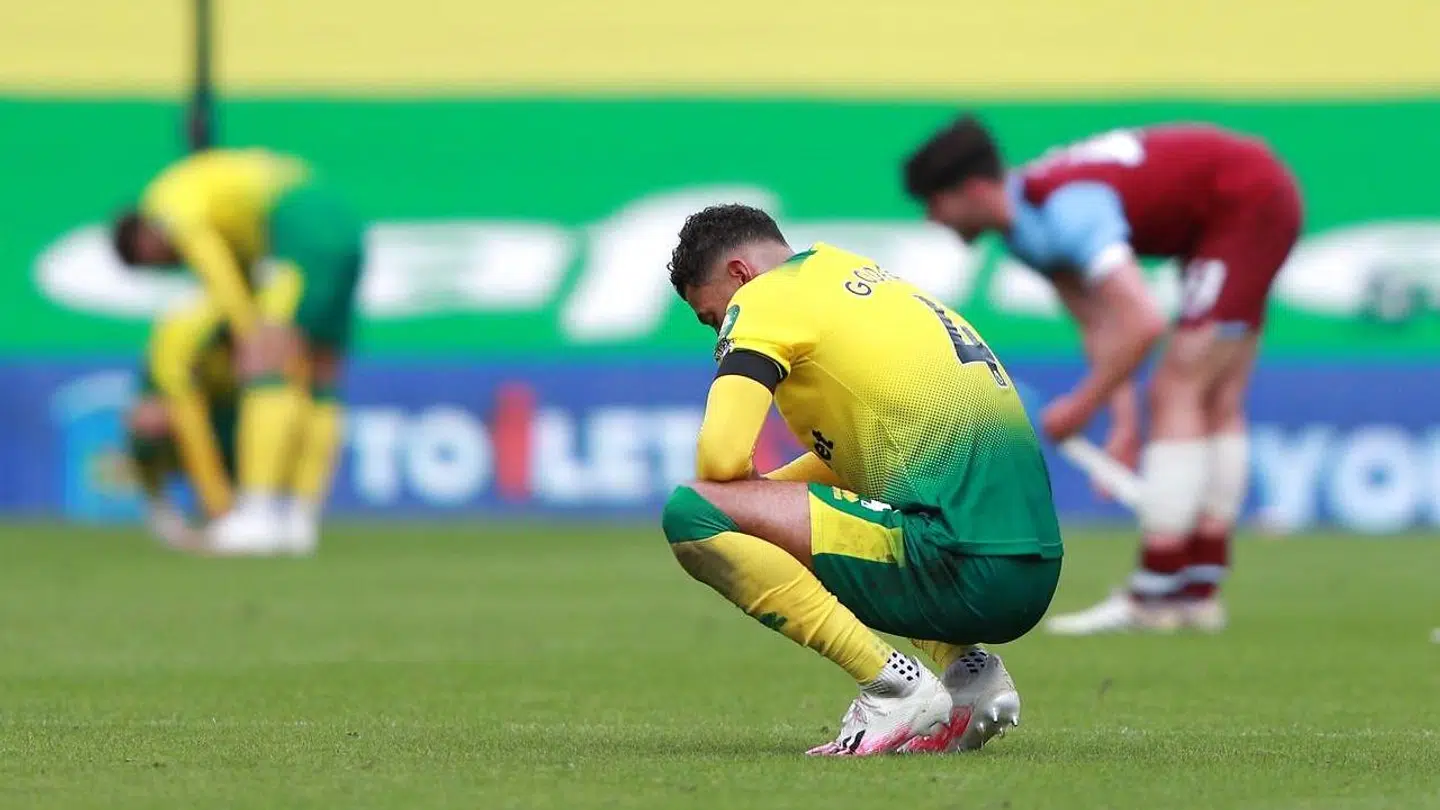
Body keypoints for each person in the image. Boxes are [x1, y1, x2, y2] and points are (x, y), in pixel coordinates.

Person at [662, 204, 1063, 756]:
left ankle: (892, 685)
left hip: (963, 564)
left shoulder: (765, 296)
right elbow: (862, 462)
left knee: (692, 512)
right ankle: (970, 675)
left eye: (712, 317)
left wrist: (746, 507)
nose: (718, 329)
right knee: (758, 514)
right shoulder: (857, 277)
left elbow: (720, 458)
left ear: (739, 273)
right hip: (1031, 571)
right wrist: (763, 509)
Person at [903, 116, 1303, 633]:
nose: (933, 220)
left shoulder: (1064, 211)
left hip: (1247, 200)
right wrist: (1122, 425)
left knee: (1177, 385)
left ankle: (1154, 596)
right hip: (1242, 205)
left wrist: (1080, 406)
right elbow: (1102, 325)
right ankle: (1196, 593)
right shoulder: (1025, 228)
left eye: (935, 203)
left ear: (973, 189)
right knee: (1217, 395)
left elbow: (1143, 321)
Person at [113, 148, 363, 554]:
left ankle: (259, 513)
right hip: (339, 216)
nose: (170, 265)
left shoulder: (168, 202)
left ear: (144, 235)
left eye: (155, 262)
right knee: (322, 373)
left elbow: (214, 263)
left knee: (268, 362)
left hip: (298, 220)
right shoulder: (211, 193)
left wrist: (249, 329)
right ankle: (299, 518)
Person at [127, 299, 238, 552]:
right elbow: (152, 397)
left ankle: (247, 511)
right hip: (189, 416)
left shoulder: (258, 340)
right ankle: (161, 508)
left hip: (229, 419)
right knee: (148, 422)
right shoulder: (182, 340)